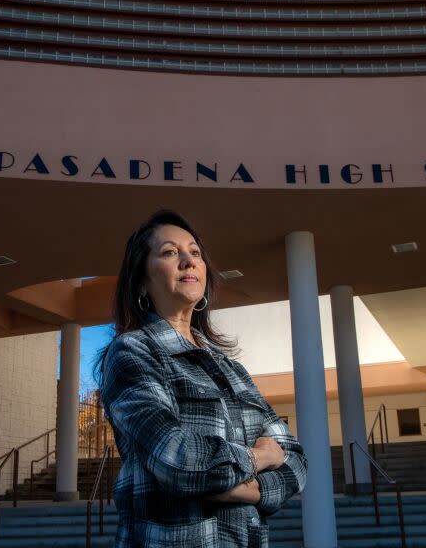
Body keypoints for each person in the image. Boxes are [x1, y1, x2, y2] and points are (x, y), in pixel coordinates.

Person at [96, 210, 308, 548]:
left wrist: (250, 491)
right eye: (169, 252)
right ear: (140, 280)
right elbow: (178, 459)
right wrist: (259, 458)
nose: (188, 261)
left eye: (194, 252)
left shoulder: (230, 368)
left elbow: (296, 458)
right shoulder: (132, 353)